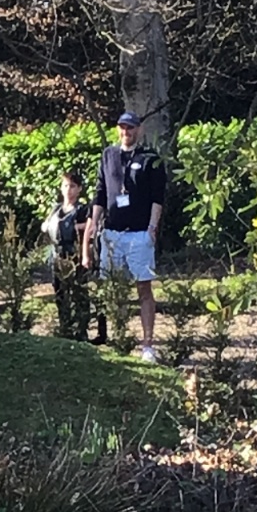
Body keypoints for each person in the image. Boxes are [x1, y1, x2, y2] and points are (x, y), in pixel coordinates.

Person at [84, 110, 166, 363]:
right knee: (112, 289)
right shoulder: (108, 155)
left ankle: (147, 345)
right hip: (112, 233)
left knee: (143, 289)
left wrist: (152, 228)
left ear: (139, 130)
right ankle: (118, 339)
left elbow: (158, 197)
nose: (126, 132)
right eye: (122, 127)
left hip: (139, 233)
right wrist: (93, 224)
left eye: (130, 128)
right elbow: (100, 192)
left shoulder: (150, 158)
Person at [42, 168, 93, 341]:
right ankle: (64, 326)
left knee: (79, 292)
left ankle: (81, 330)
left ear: (79, 189)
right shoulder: (56, 208)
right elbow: (45, 226)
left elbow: (89, 226)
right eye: (65, 186)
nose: (68, 190)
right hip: (57, 254)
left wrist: (71, 227)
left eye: (72, 186)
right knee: (60, 292)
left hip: (75, 254)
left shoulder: (82, 209)